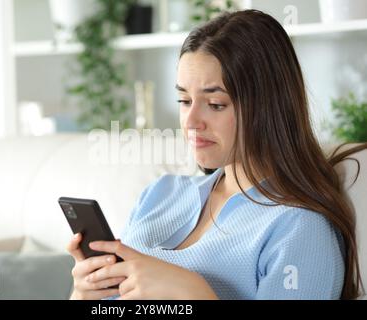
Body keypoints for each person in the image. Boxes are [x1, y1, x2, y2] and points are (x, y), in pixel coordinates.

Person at [67, 9, 366, 300]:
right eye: (184, 100)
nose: (191, 121)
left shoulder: (300, 229)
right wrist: (84, 294)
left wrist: (192, 293)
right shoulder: (160, 193)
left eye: (216, 104)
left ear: (267, 106)